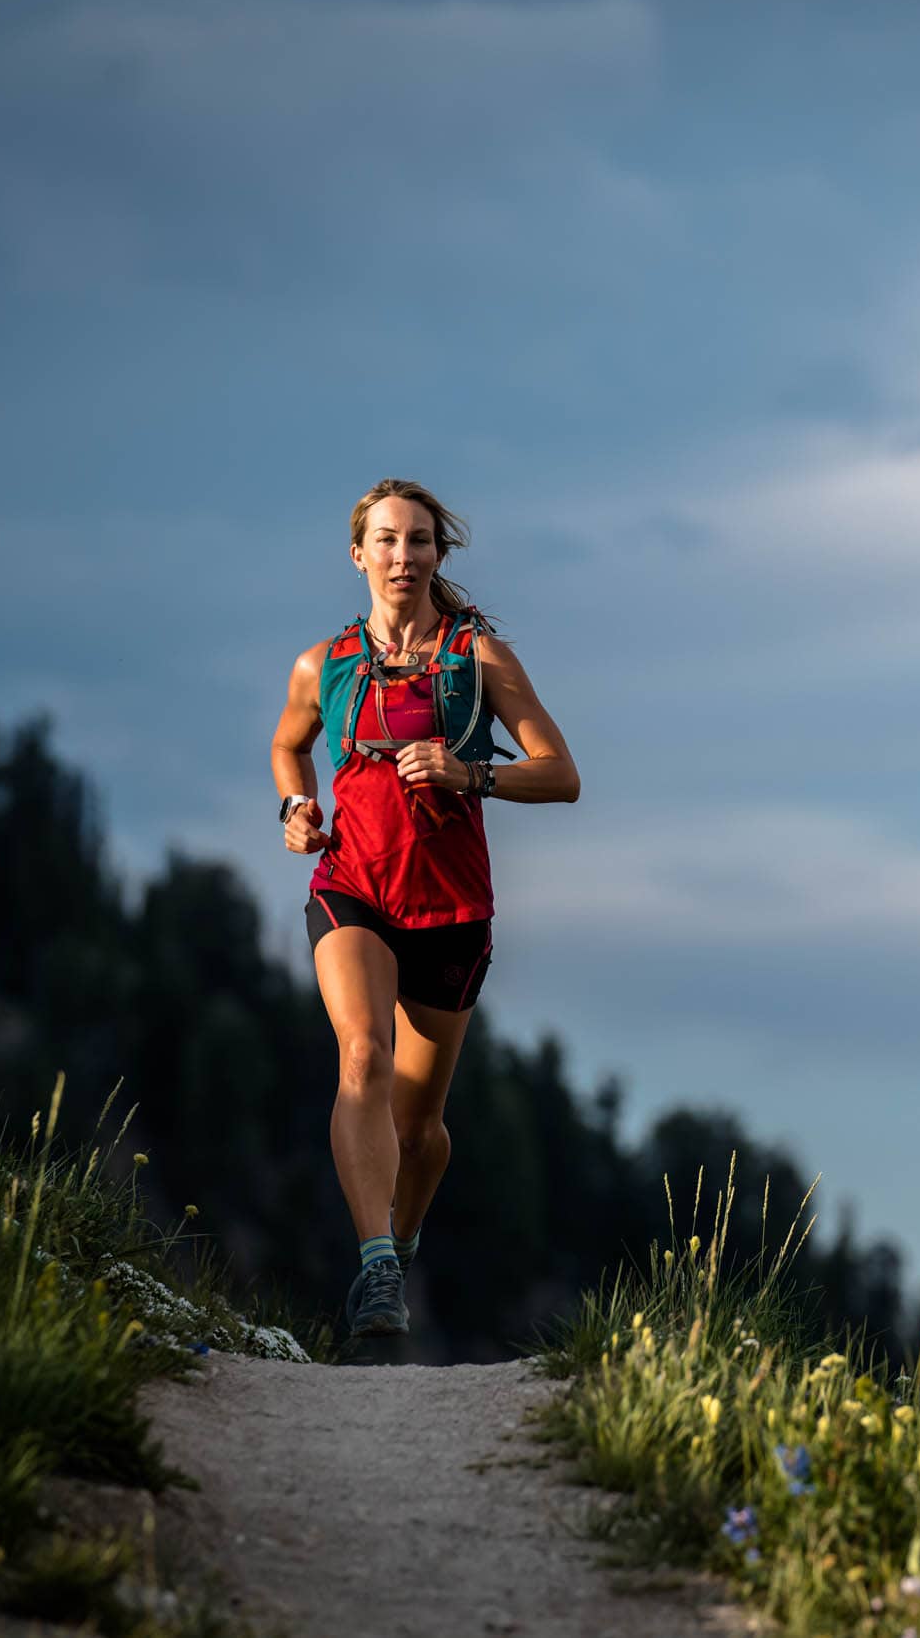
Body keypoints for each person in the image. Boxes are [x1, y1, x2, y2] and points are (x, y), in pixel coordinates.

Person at [269, 478, 579, 1341]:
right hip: (351, 887)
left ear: (438, 554)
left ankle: (402, 1238)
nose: (403, 556)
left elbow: (562, 773)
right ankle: (375, 1270)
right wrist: (294, 810)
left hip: (449, 908)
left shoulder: (477, 659)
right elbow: (289, 745)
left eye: (419, 541)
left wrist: (469, 771)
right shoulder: (321, 664)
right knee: (360, 1055)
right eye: (387, 541)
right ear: (358, 553)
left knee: (420, 1123)